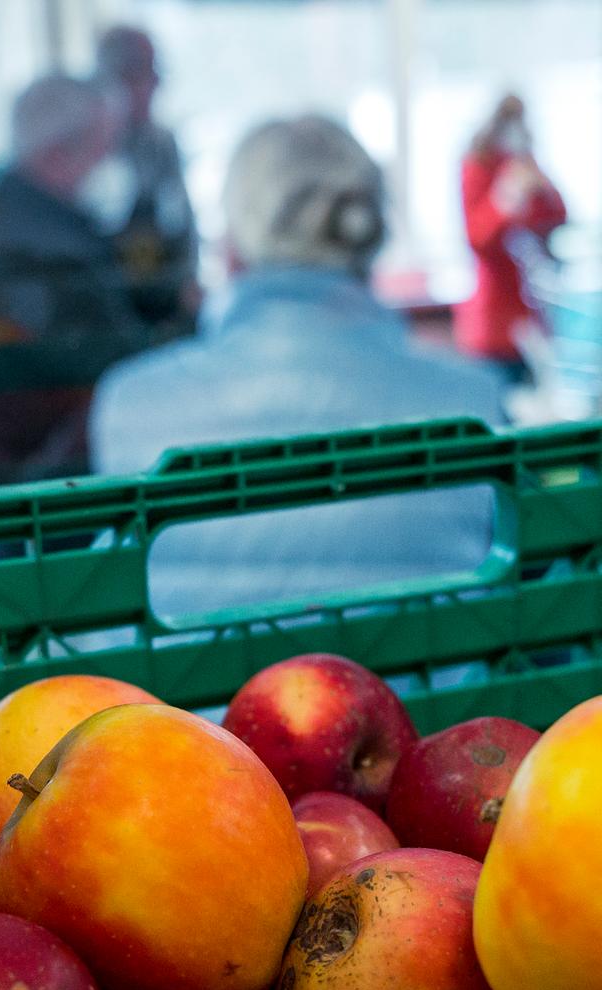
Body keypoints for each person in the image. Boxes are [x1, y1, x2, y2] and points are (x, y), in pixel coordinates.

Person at [90, 115, 508, 617]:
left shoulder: (129, 402)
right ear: (369, 241)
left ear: (230, 252)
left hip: (182, 698)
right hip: (432, 695)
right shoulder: (473, 404)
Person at [0, 74, 148, 490]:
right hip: (33, 499)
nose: (110, 161)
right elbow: (88, 355)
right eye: (101, 148)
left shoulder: (31, 225)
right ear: (57, 154)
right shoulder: (21, 250)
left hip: (39, 477)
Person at [91, 25, 200, 340]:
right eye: (142, 74)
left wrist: (186, 284)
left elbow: (183, 225)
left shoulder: (162, 144)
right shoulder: (88, 146)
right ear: (112, 79)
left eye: (156, 73)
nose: (156, 85)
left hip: (166, 306)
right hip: (106, 316)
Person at [453, 94, 568, 385]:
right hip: (492, 324)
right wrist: (507, 197)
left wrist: (543, 188)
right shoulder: (478, 168)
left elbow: (557, 223)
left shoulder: (526, 165)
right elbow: (479, 240)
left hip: (531, 321)